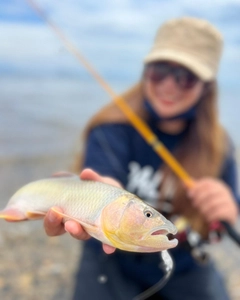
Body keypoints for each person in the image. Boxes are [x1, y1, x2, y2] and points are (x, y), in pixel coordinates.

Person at [44, 17, 239, 300]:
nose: (169, 86)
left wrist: (226, 213)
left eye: (185, 77)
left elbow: (214, 232)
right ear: (145, 71)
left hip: (181, 260)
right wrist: (100, 191)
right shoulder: (110, 130)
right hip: (111, 257)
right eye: (160, 71)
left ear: (206, 86)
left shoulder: (219, 147)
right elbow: (103, 176)